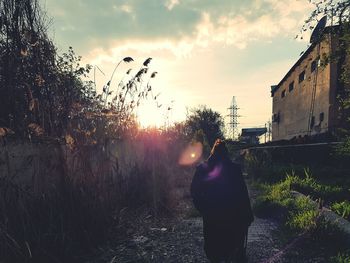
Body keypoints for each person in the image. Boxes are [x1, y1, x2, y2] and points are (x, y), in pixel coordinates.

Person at [191, 139, 254, 263]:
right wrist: (247, 215)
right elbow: (243, 194)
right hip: (232, 215)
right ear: (226, 153)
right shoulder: (235, 169)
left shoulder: (203, 169)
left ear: (213, 152)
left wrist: (202, 208)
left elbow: (194, 191)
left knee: (213, 244)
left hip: (211, 215)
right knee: (230, 244)